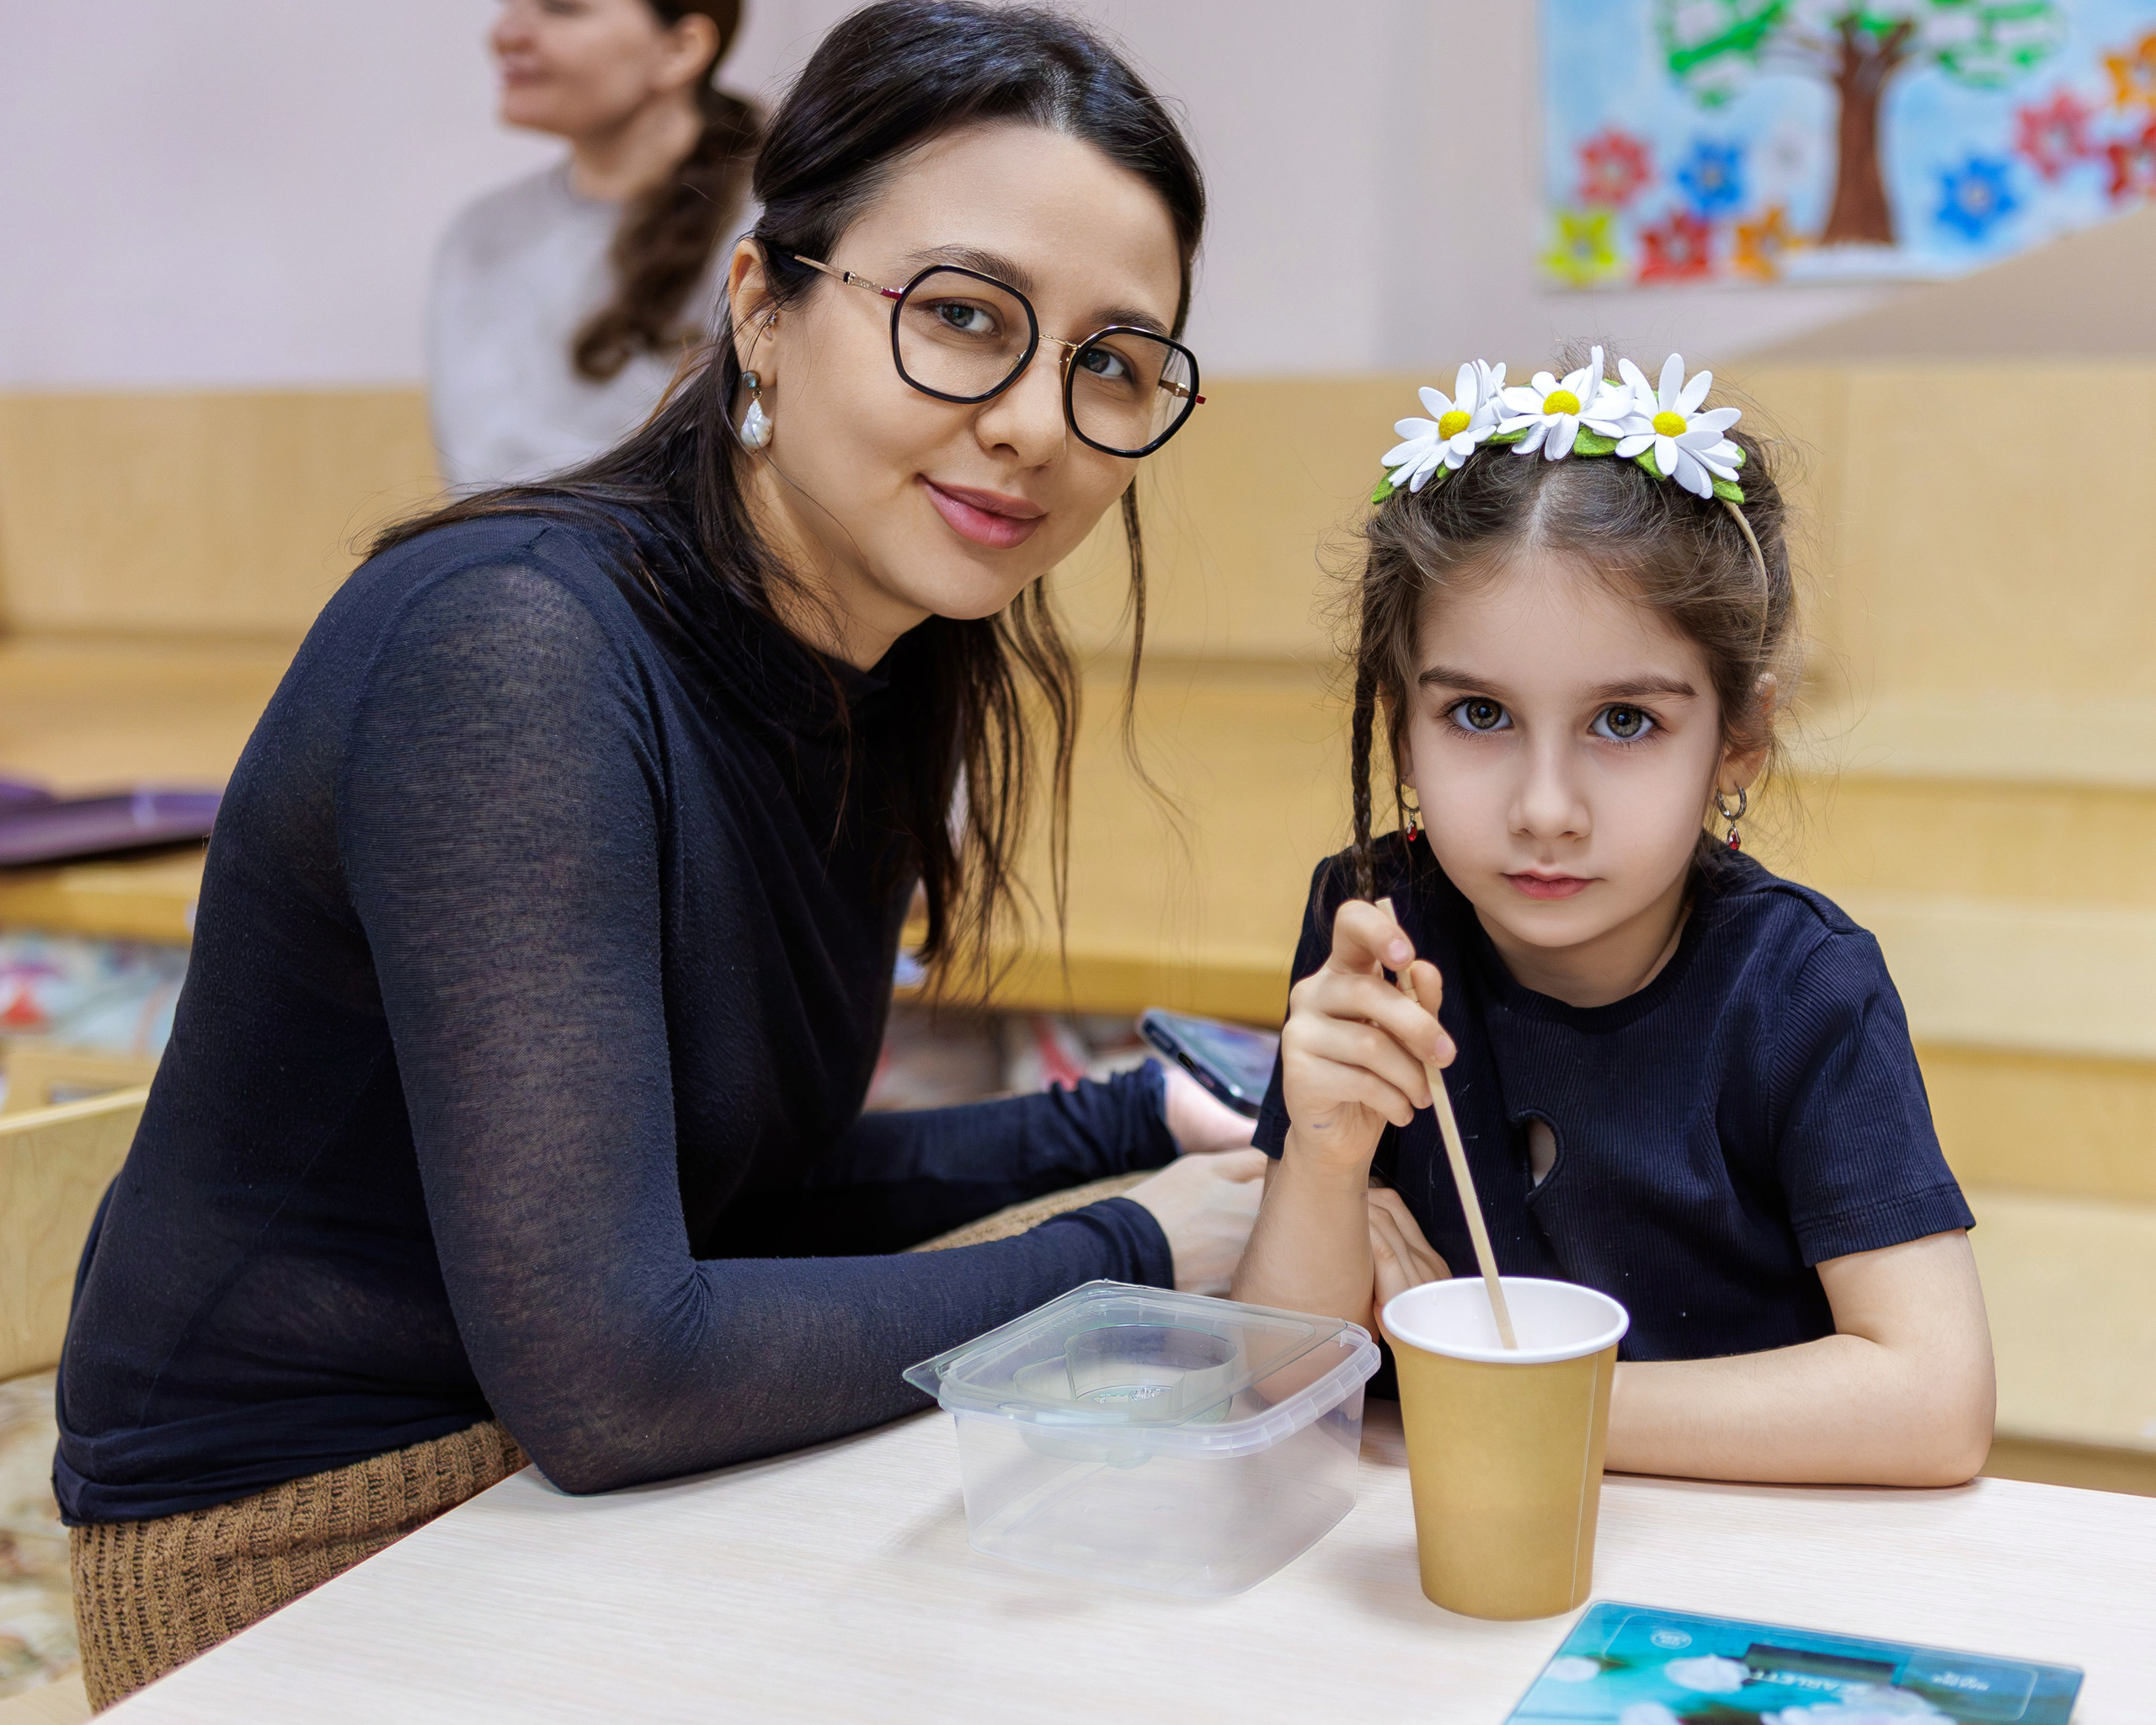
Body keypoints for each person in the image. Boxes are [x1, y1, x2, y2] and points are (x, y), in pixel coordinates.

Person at [59, 3, 1262, 1706]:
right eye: (964, 317)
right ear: (762, 308)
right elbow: (619, 1376)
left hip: (553, 1479)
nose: (1035, 422)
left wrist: (1137, 1121)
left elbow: (722, 1192)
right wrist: (1137, 1246)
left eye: (1112, 362)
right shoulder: (513, 653)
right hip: (306, 1540)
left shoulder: (873, 666)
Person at [1230, 349, 1996, 1488]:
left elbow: (1936, 1402)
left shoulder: (1801, 987)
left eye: (1625, 722)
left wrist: (1519, 1401)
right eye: (1478, 713)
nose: (1546, 809)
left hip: (1735, 1558)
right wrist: (1325, 1165)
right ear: (1402, 730)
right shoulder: (1376, 924)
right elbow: (1278, 1376)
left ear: (1739, 738)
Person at [426, 0, 759, 488]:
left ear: (680, 49)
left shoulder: (770, 229)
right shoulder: (479, 236)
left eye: (561, 8)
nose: (506, 34)